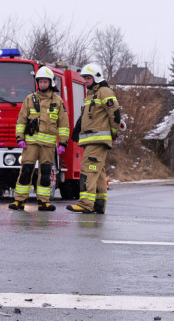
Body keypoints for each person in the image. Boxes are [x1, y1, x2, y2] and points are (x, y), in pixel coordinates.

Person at [9, 66, 70, 212]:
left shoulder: (58, 102)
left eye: (45, 82)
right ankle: (19, 201)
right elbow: (21, 120)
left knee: (46, 173)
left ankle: (44, 202)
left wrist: (63, 142)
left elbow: (64, 124)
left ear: (51, 83)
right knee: (25, 171)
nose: (42, 84)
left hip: (48, 146)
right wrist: (20, 138)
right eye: (40, 82)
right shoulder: (30, 99)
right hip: (31, 144)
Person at [67, 63, 122, 214]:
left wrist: (113, 132)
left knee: (88, 170)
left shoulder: (105, 92)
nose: (85, 81)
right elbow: (85, 116)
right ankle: (99, 205)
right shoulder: (91, 95)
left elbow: (115, 114)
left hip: (98, 140)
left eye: (88, 78)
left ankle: (85, 204)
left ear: (97, 77)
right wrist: (77, 130)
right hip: (91, 140)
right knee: (98, 173)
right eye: (84, 78)